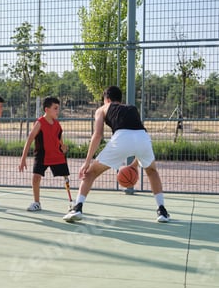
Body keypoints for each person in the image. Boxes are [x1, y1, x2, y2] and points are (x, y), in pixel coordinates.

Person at [63, 86, 170, 223]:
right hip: (143, 138)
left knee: (90, 173)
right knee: (152, 172)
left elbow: (97, 135)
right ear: (120, 100)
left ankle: (77, 208)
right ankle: (162, 211)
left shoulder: (102, 109)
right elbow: (137, 135)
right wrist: (135, 164)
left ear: (106, 99)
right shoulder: (132, 108)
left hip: (121, 138)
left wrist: (87, 161)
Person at [19, 96, 70, 211]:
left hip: (56, 154)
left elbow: (60, 140)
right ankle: (37, 203)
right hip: (42, 155)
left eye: (58, 108)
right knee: (36, 178)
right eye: (55, 108)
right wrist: (23, 158)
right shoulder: (39, 123)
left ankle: (71, 202)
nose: (58, 111)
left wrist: (63, 147)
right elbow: (29, 139)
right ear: (47, 110)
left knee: (65, 176)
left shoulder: (57, 125)